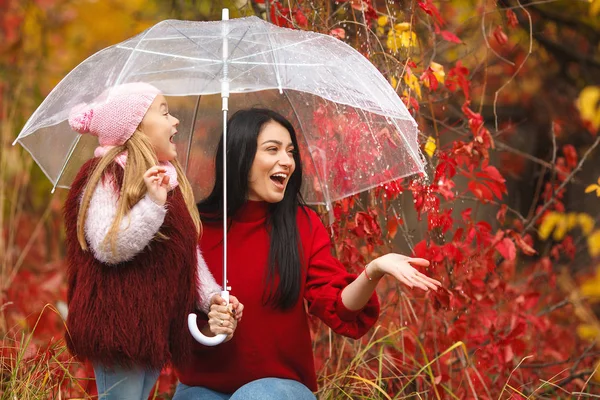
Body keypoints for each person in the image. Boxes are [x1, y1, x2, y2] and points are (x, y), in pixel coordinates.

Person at [173, 108, 441, 400]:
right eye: (272, 149)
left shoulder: (302, 224)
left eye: (290, 151)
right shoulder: (193, 226)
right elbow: (172, 319)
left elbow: (339, 307)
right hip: (202, 386)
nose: (287, 161)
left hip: (278, 389)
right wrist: (211, 328)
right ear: (240, 155)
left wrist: (374, 269)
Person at [62, 82, 242, 400]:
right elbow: (107, 245)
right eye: (164, 112)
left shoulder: (165, 180)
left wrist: (212, 297)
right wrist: (152, 206)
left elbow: (185, 254)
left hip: (152, 326)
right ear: (136, 127)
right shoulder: (105, 175)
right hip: (117, 324)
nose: (175, 121)